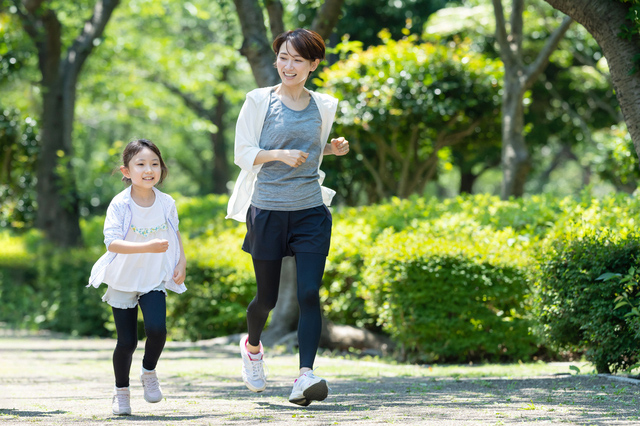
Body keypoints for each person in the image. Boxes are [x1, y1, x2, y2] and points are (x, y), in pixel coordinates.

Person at [226, 28, 350, 406]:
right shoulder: (259, 101)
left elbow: (310, 150)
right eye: (283, 57)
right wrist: (277, 155)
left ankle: (304, 375)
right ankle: (252, 347)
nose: (288, 66)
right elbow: (242, 151)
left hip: (311, 210)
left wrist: (332, 147)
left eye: (297, 60)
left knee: (309, 294)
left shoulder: (324, 105)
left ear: (313, 64)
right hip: (267, 210)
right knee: (267, 299)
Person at [88, 138, 187, 416]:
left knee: (157, 330)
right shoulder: (120, 204)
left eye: (154, 164)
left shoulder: (167, 202)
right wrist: (149, 246)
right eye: (141, 164)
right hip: (122, 278)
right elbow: (112, 244)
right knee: (127, 342)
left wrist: (182, 262)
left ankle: (149, 371)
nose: (149, 169)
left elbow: (174, 234)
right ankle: (121, 392)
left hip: (153, 276)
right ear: (126, 171)